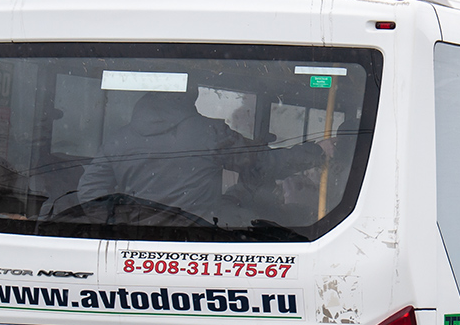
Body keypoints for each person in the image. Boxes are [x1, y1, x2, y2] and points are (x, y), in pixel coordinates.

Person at [74, 86, 329, 224]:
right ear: (188, 97)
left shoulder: (119, 139)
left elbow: (90, 194)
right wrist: (318, 152)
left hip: (132, 254)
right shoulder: (208, 133)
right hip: (197, 247)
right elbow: (266, 164)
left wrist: (131, 224)